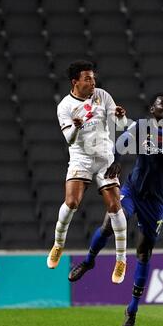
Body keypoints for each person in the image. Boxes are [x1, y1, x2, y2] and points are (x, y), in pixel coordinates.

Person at [68, 93, 163, 326]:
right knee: (111, 221)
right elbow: (119, 145)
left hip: (154, 203)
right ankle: (88, 261)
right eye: (162, 105)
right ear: (151, 109)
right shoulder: (141, 128)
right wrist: (115, 161)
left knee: (143, 253)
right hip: (132, 191)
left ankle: (132, 310)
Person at [47, 60, 128, 284]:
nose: (93, 82)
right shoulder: (65, 106)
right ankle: (58, 244)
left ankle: (121, 260)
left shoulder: (102, 95)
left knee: (114, 206)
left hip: (104, 158)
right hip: (81, 158)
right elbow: (69, 139)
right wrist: (76, 126)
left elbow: (120, 125)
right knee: (72, 202)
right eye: (88, 78)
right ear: (75, 82)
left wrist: (120, 116)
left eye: (93, 78)